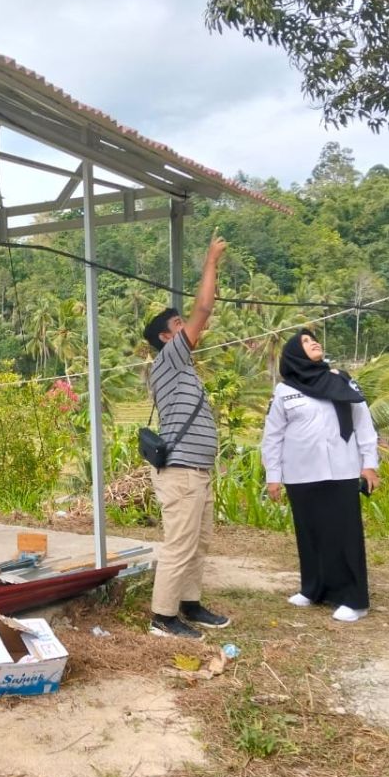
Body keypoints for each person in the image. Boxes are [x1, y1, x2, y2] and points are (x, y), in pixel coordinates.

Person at [142, 233, 231, 639]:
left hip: (197, 471)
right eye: (178, 325)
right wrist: (210, 260)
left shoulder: (182, 367)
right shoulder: (171, 357)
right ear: (166, 337)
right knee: (180, 544)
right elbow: (205, 307)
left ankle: (189, 605)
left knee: (199, 542)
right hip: (181, 473)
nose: (187, 327)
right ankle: (163, 617)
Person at [261, 329, 380, 623]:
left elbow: (363, 424)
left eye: (313, 339)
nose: (313, 342)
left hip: (341, 470)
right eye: (304, 341)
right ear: (294, 354)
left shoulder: (341, 381)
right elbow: (273, 436)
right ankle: (313, 589)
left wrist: (369, 464)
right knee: (310, 532)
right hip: (301, 473)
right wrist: (273, 476)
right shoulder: (284, 391)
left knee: (344, 534)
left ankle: (354, 599)